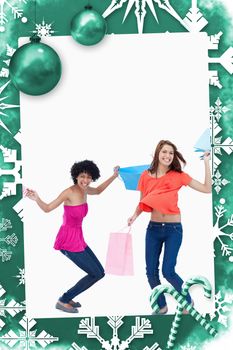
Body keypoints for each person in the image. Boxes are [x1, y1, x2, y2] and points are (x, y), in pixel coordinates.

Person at [127, 140, 211, 314]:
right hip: (153, 229)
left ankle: (188, 303)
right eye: (164, 152)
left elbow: (206, 188)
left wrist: (206, 162)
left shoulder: (178, 175)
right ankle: (161, 306)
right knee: (151, 272)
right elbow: (143, 201)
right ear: (158, 153)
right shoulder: (145, 175)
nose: (167, 156)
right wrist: (134, 216)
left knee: (168, 270)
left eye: (171, 153)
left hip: (173, 229)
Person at [26, 160, 119, 314]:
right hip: (68, 240)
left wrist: (114, 176)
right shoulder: (69, 192)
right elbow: (48, 208)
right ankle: (63, 300)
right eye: (82, 176)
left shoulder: (85, 190)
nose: (86, 180)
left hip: (78, 238)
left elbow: (99, 190)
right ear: (76, 176)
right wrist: (37, 198)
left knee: (100, 272)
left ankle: (67, 298)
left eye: (89, 177)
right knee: (95, 274)